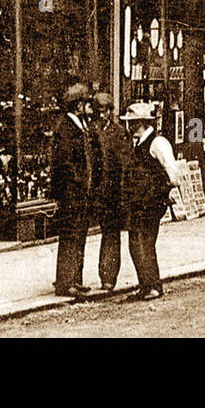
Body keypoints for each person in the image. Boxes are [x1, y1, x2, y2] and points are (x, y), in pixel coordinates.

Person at [120, 101, 177, 300]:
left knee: (144, 241)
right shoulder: (136, 143)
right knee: (136, 242)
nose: (130, 127)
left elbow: (173, 173)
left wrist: (160, 191)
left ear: (143, 122)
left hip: (151, 202)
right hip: (138, 201)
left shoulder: (157, 143)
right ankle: (145, 284)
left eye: (133, 123)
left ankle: (153, 285)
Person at [49, 82, 93, 298]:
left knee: (79, 235)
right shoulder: (65, 127)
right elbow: (64, 162)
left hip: (81, 192)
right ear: (78, 105)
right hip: (71, 192)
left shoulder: (80, 124)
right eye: (86, 103)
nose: (88, 107)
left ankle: (76, 278)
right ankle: (66, 282)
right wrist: (78, 182)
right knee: (70, 236)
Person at [88, 91, 129, 294]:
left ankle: (108, 277)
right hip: (94, 191)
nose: (101, 115)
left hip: (112, 192)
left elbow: (124, 164)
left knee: (111, 235)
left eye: (104, 111)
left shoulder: (118, 132)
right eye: (98, 111)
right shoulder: (89, 131)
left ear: (111, 111)